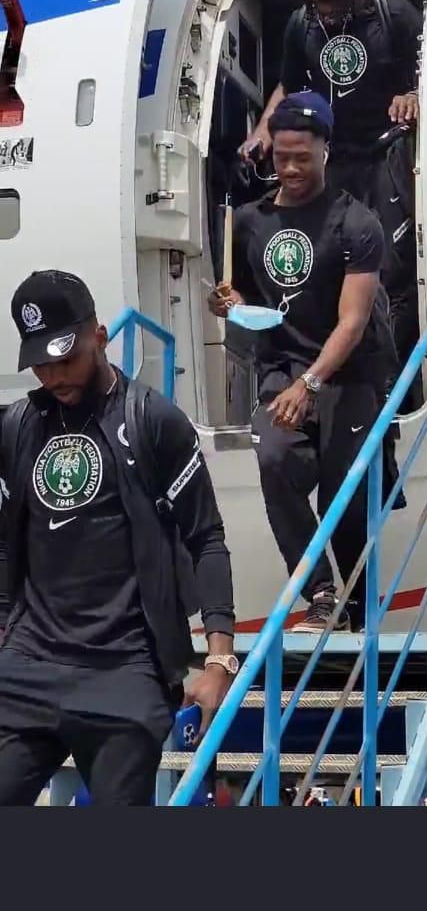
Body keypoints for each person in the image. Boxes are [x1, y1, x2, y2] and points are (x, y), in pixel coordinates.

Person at [0, 269, 238, 805]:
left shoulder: (153, 420)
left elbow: (206, 538)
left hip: (124, 672)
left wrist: (220, 656)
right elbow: (7, 539)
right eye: (41, 362)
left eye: (67, 357)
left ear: (100, 335)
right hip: (29, 665)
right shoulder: (18, 427)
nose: (54, 374)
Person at [209, 91, 391, 634]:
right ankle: (319, 593)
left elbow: (353, 322)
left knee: (347, 502)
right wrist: (228, 305)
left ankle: (356, 617)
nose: (289, 168)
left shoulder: (356, 224)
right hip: (281, 369)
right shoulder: (245, 222)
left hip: (346, 375)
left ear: (325, 151)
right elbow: (238, 301)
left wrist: (312, 382)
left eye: (301, 158)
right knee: (274, 460)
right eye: (281, 156)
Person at [240, 0, 423, 411]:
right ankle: (342, 378)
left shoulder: (394, 15)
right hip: (336, 154)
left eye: (336, 5)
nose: (329, 14)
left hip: (383, 148)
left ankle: (396, 387)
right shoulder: (302, 25)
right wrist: (263, 133)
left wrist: (412, 93)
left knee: (394, 268)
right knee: (338, 266)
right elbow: (287, 85)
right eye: (319, 5)